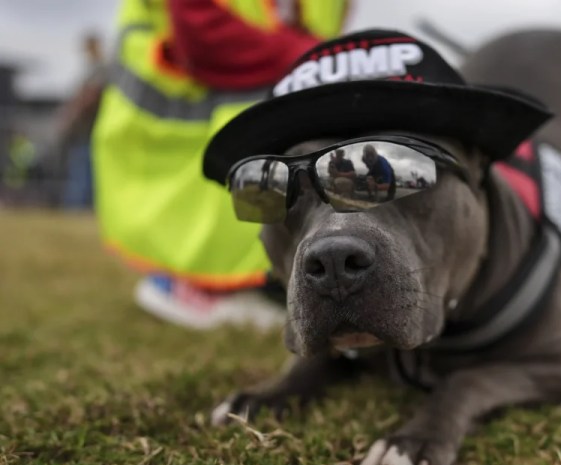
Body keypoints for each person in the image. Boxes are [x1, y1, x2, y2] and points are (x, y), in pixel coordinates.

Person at [92, 0, 350, 330]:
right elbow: (203, 29)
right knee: (226, 209)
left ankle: (264, 283)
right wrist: (315, 56)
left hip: (252, 118)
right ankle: (204, 289)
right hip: (189, 124)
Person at [56, 32, 106, 209]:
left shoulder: (99, 69)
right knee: (83, 171)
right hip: (85, 130)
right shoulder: (93, 69)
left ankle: (79, 208)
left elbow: (89, 98)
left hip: (90, 129)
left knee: (83, 173)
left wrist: (71, 117)